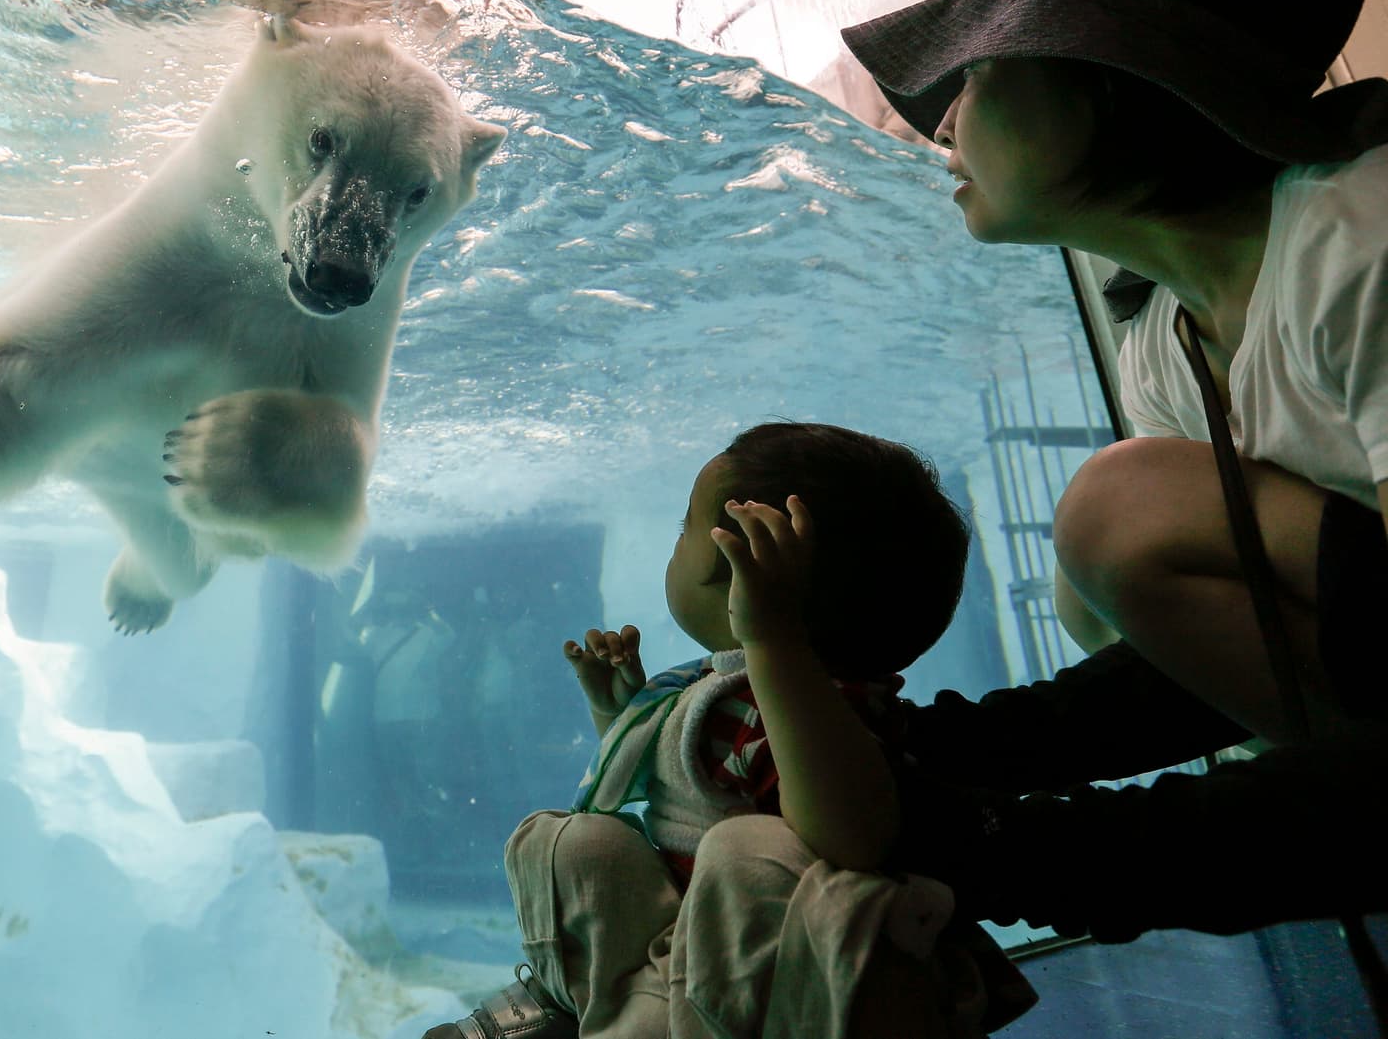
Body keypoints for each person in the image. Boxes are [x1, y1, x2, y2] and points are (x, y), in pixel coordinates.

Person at [832, 0, 1388, 943]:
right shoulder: (1165, 344)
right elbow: (1240, 655)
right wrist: (939, 756)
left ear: (1107, 80)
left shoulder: (1358, 243)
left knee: (1120, 514)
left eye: (983, 72)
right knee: (1118, 546)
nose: (942, 121)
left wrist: (1021, 855)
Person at [425, 423, 1035, 1039]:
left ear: (738, 566)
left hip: (783, 990)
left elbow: (851, 837)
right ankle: (604, 1007)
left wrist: (773, 638)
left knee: (745, 854)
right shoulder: (719, 686)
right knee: (573, 842)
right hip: (690, 954)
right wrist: (624, 715)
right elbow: (680, 788)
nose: (676, 547)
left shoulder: (818, 707)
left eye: (682, 531)